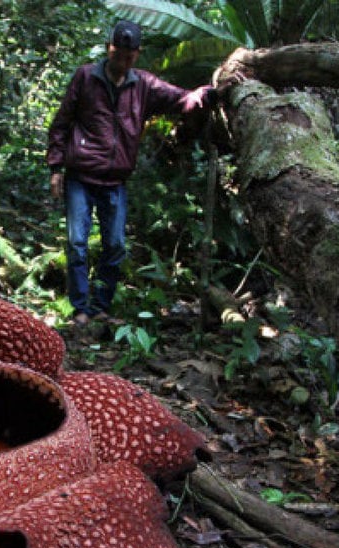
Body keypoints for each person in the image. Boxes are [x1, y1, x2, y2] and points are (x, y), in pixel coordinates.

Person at [47, 20, 214, 326]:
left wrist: (207, 92)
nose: (122, 59)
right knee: (77, 243)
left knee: (115, 245)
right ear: (109, 48)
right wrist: (56, 167)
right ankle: (81, 309)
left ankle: (101, 307)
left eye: (129, 55)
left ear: (137, 54)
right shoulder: (86, 77)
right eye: (118, 52)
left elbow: (180, 99)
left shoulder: (144, 85)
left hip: (115, 180)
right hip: (80, 176)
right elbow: (62, 122)